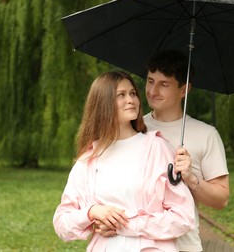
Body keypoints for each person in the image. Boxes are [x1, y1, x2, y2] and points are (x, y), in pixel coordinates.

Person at [53, 71, 195, 251]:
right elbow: (62, 223)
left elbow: (184, 217)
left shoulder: (157, 148)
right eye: (121, 95)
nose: (131, 100)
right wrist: (91, 212)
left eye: (133, 93)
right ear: (103, 103)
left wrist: (125, 225)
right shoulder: (89, 159)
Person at [143, 50, 230, 251]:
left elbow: (221, 200)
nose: (152, 90)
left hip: (185, 246)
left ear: (184, 90)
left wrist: (191, 179)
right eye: (150, 81)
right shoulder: (132, 128)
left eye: (163, 84)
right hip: (138, 243)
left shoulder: (206, 134)